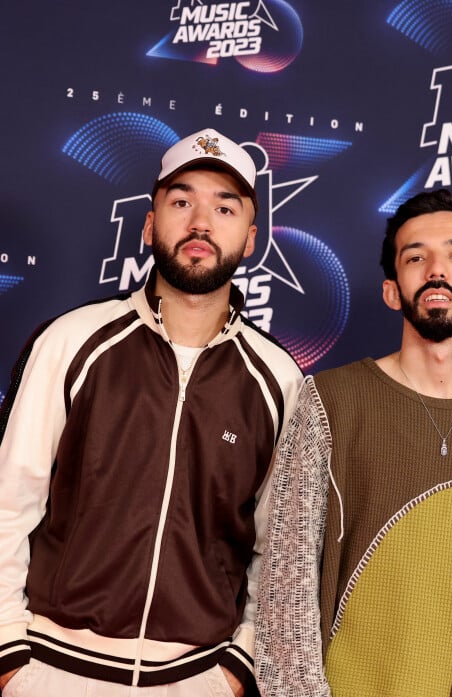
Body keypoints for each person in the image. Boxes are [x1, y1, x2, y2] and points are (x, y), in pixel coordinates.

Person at [0, 127, 303, 697]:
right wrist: (10, 655)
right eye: (181, 201)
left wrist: (239, 666)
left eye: (225, 207)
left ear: (251, 235)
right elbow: (7, 503)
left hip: (198, 679)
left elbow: (281, 547)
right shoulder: (72, 342)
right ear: (148, 221)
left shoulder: (278, 379)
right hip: (54, 669)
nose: (201, 223)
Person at [255, 188, 452, 697]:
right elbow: (285, 593)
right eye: (415, 256)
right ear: (391, 289)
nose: (436, 269)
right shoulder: (328, 403)